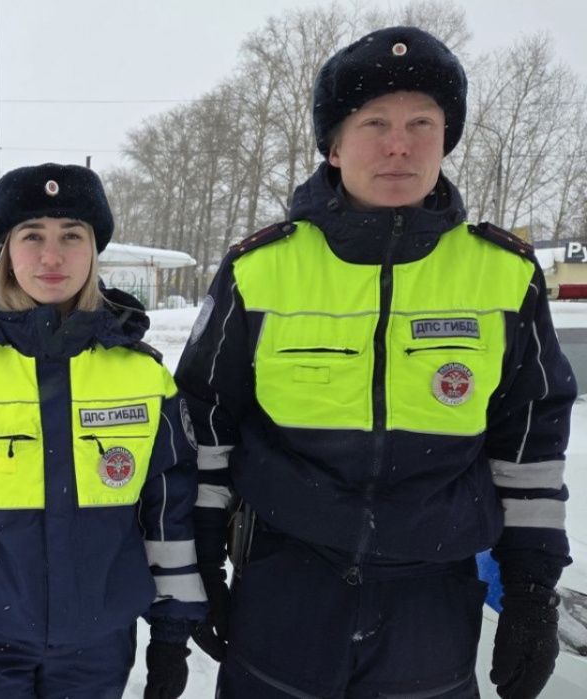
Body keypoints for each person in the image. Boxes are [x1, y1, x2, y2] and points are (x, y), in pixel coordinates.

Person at [176, 26, 575, 699]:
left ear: (446, 140)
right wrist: (201, 565)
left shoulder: (502, 273)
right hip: (284, 590)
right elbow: (205, 425)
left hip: (431, 603)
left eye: (423, 122)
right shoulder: (260, 268)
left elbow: (530, 444)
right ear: (333, 145)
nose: (400, 144)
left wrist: (532, 589)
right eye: (375, 123)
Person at [0, 163, 207, 699]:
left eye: (72, 235)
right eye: (33, 236)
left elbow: (169, 515)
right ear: (6, 250)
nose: (52, 256)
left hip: (95, 652)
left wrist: (172, 635)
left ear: (94, 250)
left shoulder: (144, 377)